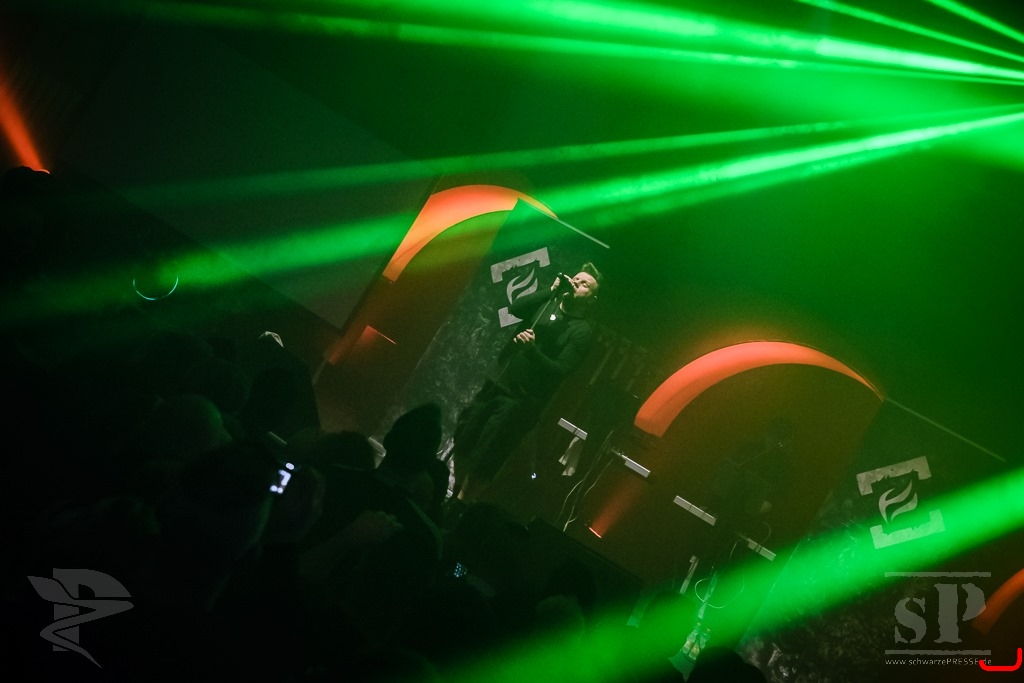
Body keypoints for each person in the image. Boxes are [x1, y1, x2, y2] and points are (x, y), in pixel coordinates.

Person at [451, 263, 602, 502]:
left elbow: (561, 370)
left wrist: (532, 351)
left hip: (521, 399)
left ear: (591, 299)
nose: (576, 283)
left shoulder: (582, 331)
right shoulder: (548, 301)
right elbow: (516, 308)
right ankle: (456, 488)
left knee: (488, 453)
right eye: (576, 278)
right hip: (498, 381)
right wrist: (550, 290)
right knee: (465, 436)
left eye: (585, 284)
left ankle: (461, 501)